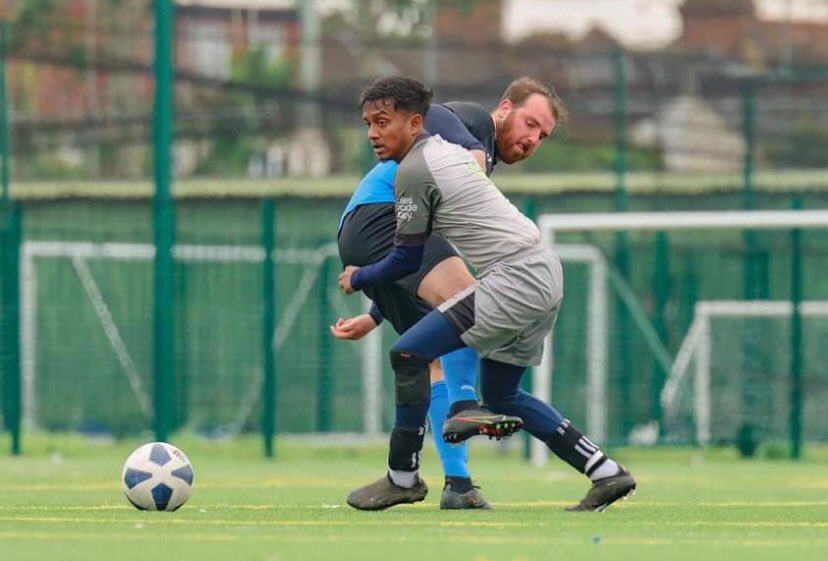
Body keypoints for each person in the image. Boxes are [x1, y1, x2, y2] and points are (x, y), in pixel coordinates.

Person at [338, 76, 636, 512]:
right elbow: (415, 250)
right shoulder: (463, 139)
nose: (372, 134)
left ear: (414, 121)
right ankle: (604, 472)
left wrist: (362, 280)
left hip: (514, 275)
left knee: (413, 352)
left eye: (382, 122)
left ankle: (411, 471)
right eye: (368, 124)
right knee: (500, 391)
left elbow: (406, 258)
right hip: (542, 272)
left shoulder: (422, 166)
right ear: (503, 109)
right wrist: (379, 306)